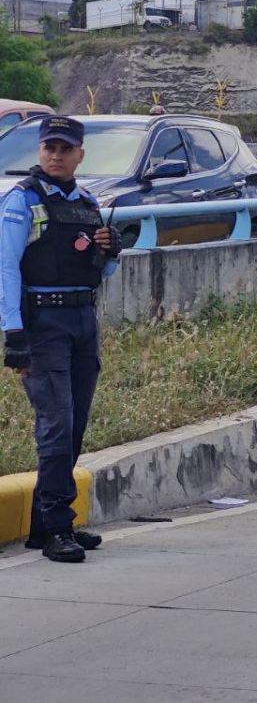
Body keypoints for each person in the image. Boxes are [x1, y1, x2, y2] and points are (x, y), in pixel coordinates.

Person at [1, 116, 121, 563]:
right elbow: (5, 267)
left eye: (64, 148)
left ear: (79, 155)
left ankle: (44, 525)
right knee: (56, 425)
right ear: (39, 151)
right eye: (49, 147)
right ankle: (57, 528)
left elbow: (99, 271)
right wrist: (12, 333)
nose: (55, 155)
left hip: (82, 321)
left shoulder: (87, 202)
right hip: (41, 323)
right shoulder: (21, 200)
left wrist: (110, 252)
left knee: (74, 425)